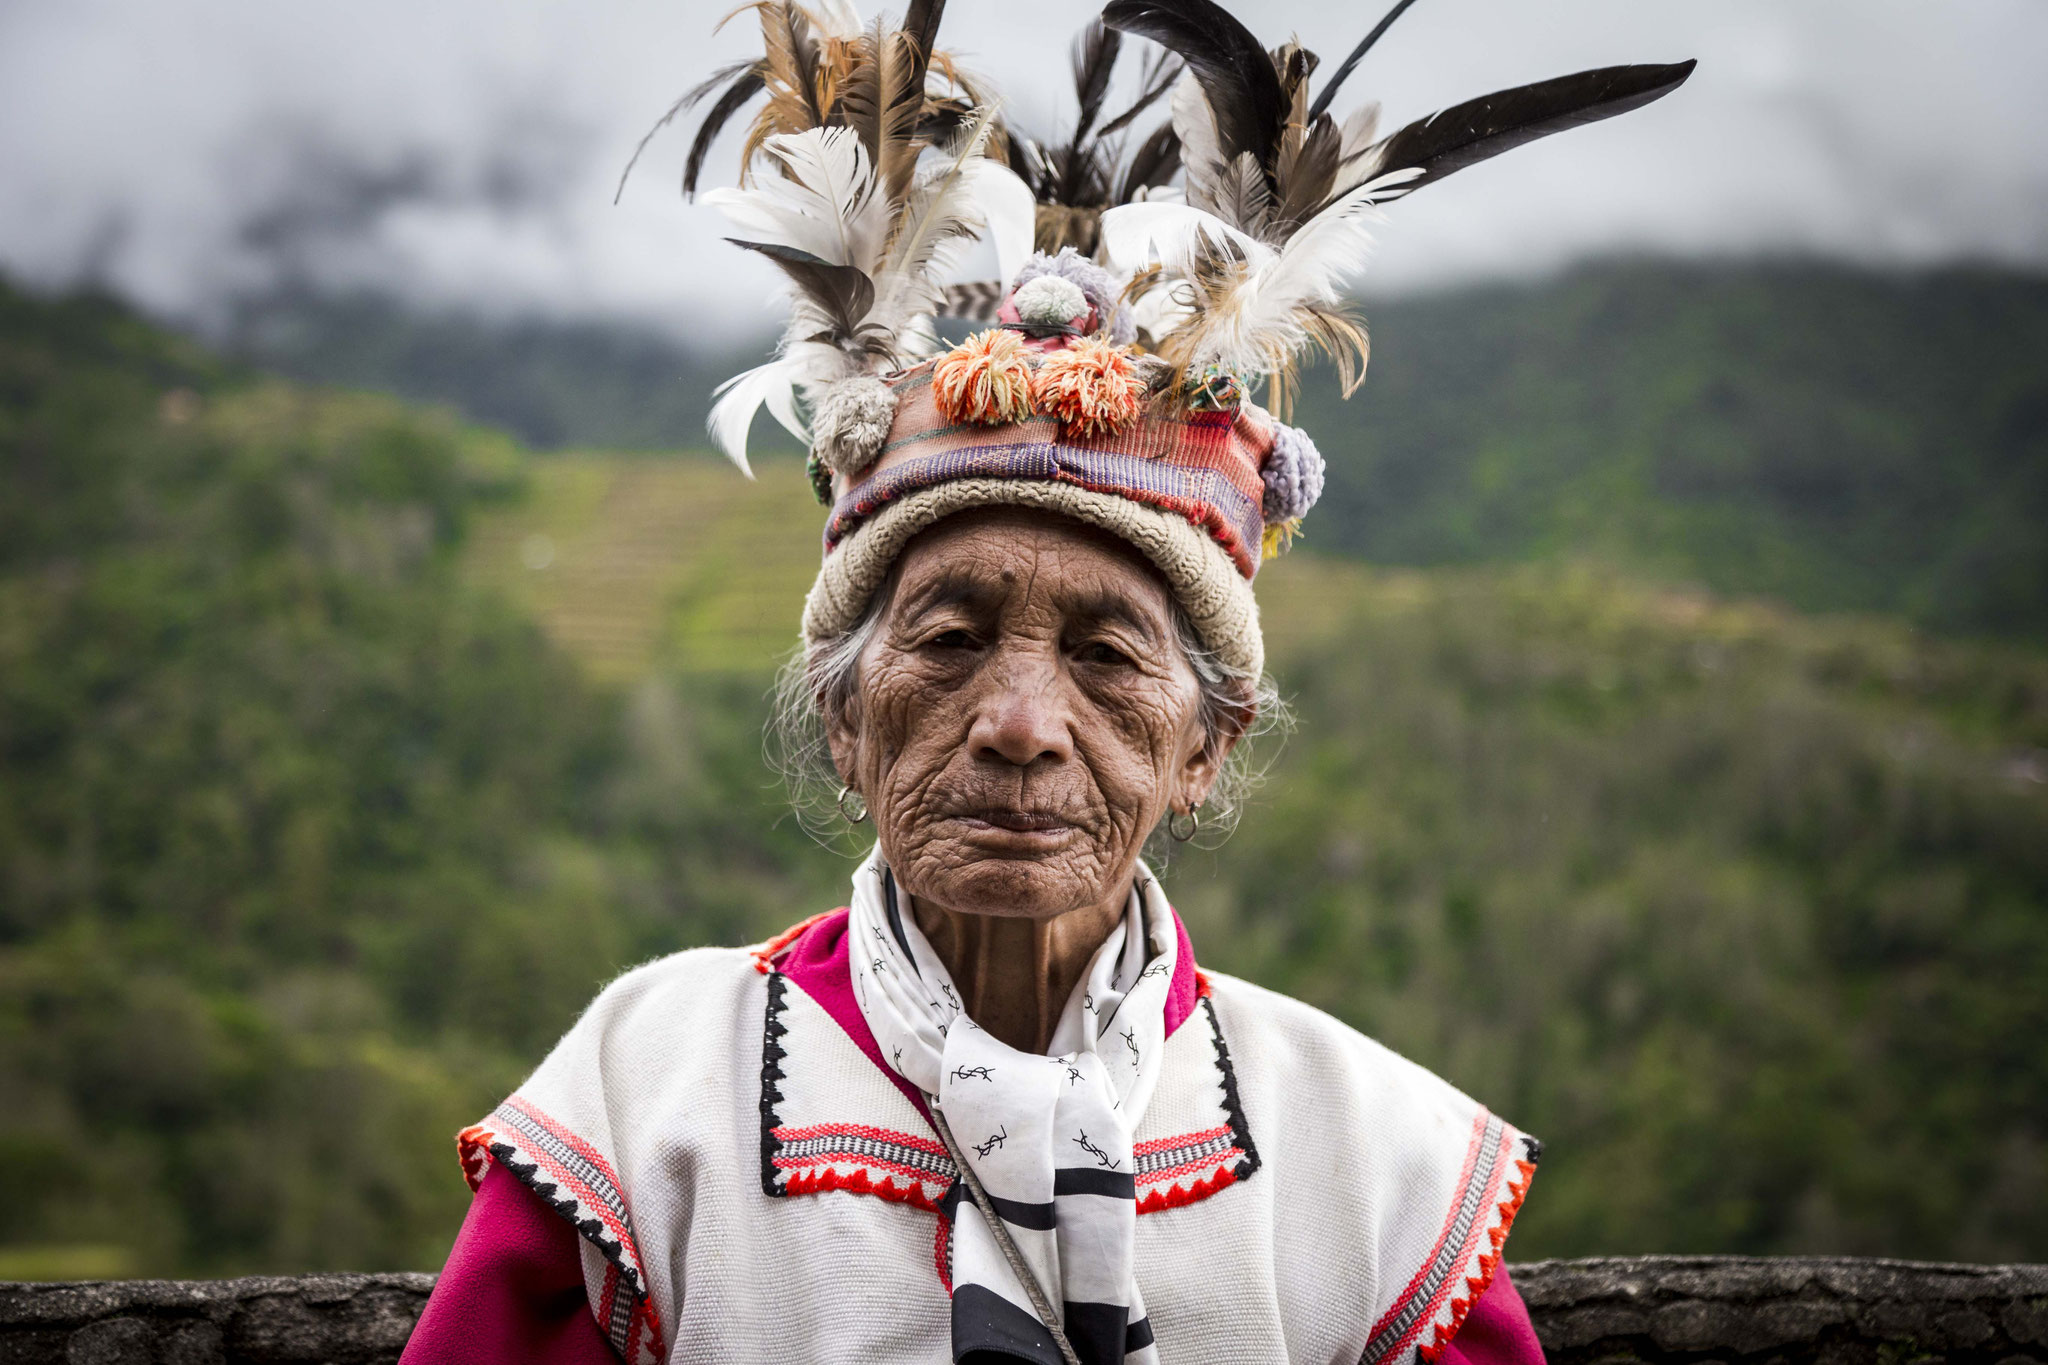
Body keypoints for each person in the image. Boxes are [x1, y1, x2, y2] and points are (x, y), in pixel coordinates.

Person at [401, 4, 1690, 1361]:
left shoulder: (1372, 1162)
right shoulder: (647, 1104)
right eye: (949, 641)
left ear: (1206, 743)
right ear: (845, 716)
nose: (1020, 726)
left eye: (1108, 655)